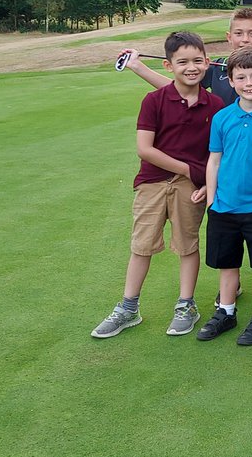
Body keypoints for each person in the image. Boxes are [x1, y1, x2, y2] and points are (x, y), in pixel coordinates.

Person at [91, 31, 224, 339]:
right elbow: (145, 149)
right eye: (182, 62)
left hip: (191, 188)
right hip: (153, 182)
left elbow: (220, 153)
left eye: (197, 61)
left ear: (207, 63)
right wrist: (192, 171)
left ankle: (186, 305)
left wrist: (206, 182)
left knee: (187, 245)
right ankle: (128, 308)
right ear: (168, 66)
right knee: (142, 246)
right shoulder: (154, 100)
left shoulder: (215, 105)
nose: (190, 67)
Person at [194, 47, 252, 345]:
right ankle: (227, 310)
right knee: (227, 263)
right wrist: (212, 201)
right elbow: (215, 160)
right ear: (230, 81)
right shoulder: (222, 118)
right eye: (241, 77)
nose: (249, 83)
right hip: (224, 205)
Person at [119, 6, 252, 117]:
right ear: (229, 37)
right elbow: (179, 89)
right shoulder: (215, 68)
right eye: (238, 33)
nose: (245, 39)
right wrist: (137, 66)